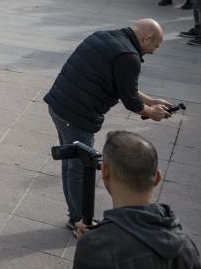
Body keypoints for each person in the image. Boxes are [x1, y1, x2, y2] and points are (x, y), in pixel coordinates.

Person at [44, 19, 172, 234]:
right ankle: (79, 221)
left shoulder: (104, 36)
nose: (153, 51)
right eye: (155, 46)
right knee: (79, 168)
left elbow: (123, 85)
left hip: (59, 104)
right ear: (146, 38)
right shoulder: (129, 57)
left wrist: (150, 101)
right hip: (76, 114)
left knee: (71, 163)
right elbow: (131, 101)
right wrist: (152, 113)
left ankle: (75, 216)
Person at [68, 131, 201, 269]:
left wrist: (93, 243)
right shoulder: (187, 245)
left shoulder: (97, 250)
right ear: (157, 177)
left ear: (105, 172)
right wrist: (100, 234)